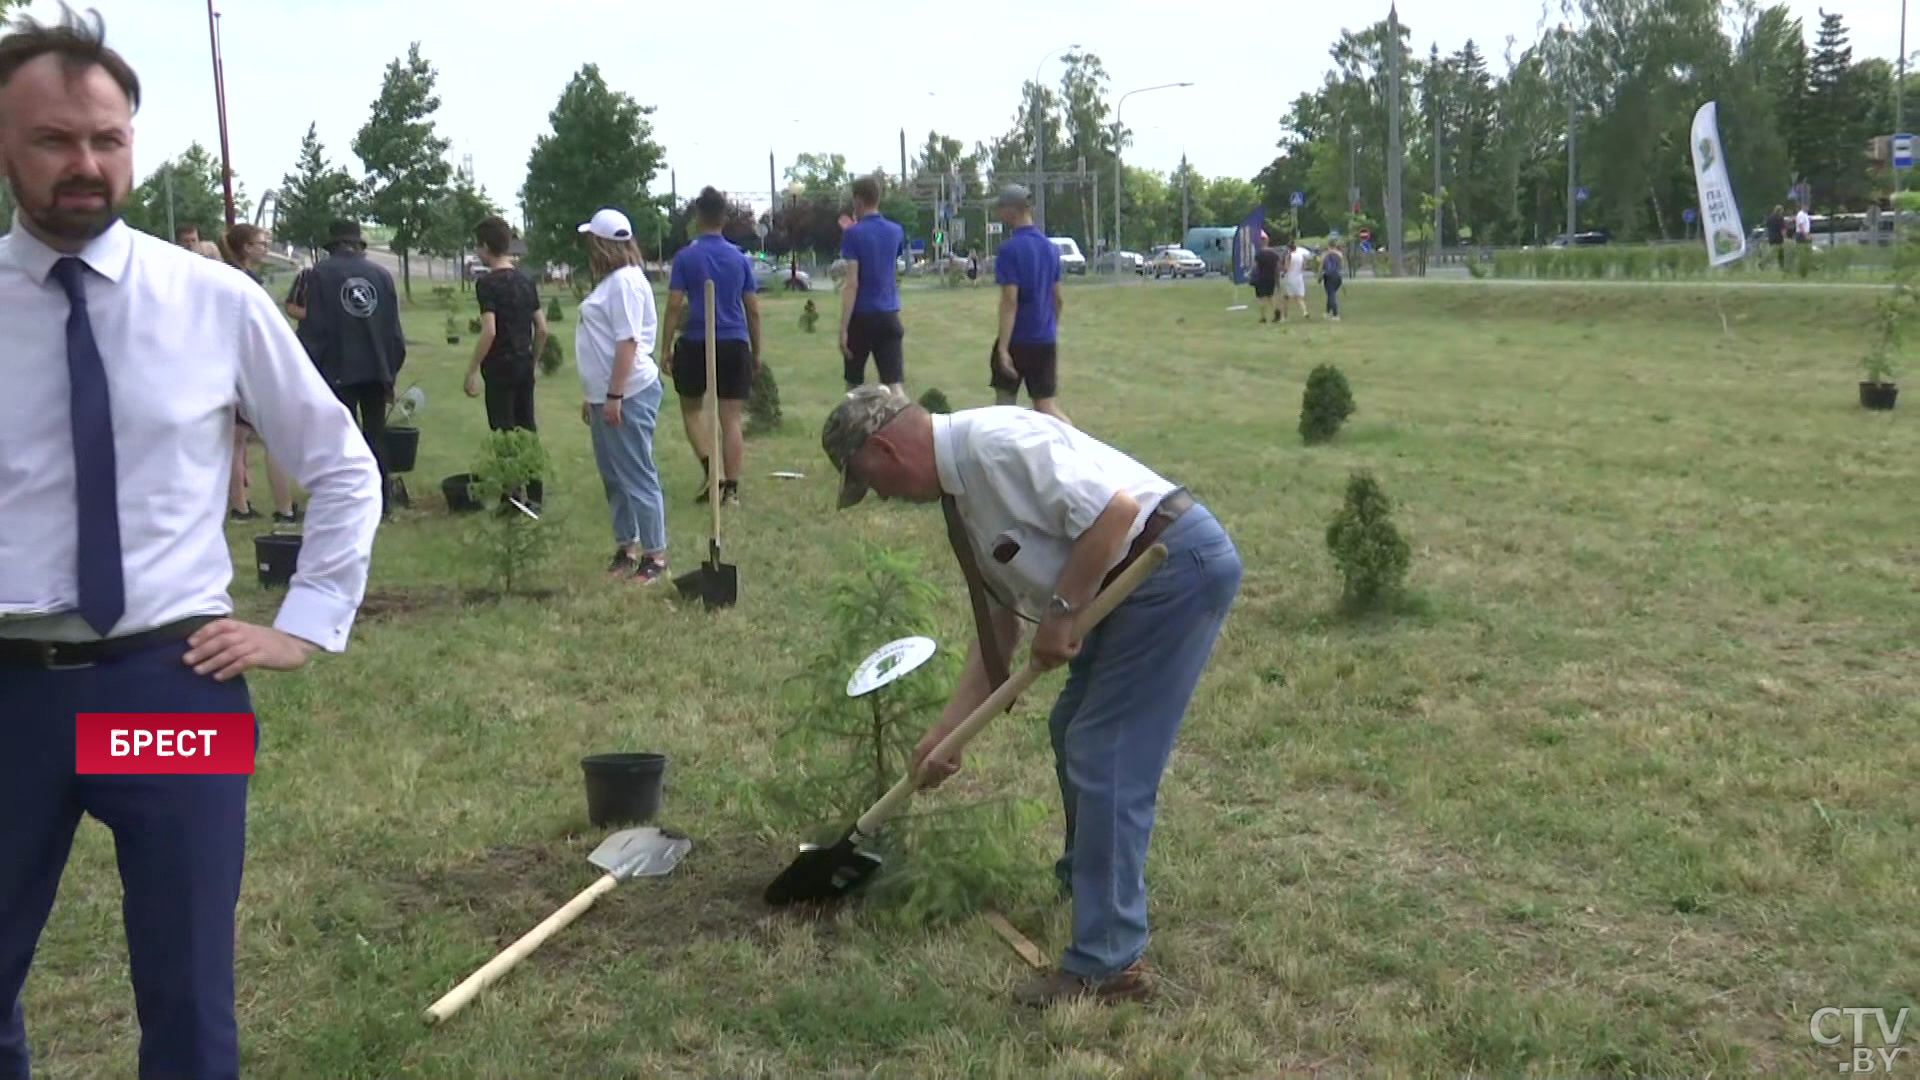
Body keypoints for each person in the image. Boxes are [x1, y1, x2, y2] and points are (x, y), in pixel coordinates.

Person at [0, 9, 383, 1080]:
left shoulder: (214, 300)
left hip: (167, 690)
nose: (84, 163)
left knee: (189, 998)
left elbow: (343, 465)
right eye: (52, 140)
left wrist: (304, 624)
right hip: (9, 697)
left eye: (106, 140)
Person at [819, 387, 1242, 1007]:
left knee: (1106, 753)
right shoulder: (961, 498)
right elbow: (1000, 628)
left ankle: (1109, 963)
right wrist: (948, 732)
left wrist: (1065, 611)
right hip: (1119, 580)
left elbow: (1117, 512)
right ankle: (1091, 881)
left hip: (1167, 567)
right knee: (1071, 725)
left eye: (870, 481)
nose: (881, 496)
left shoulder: (997, 446)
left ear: (884, 448)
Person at [574, 207, 669, 582]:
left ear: (600, 243)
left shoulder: (626, 282)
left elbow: (627, 342)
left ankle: (655, 555)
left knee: (636, 473)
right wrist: (594, 394)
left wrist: (614, 395)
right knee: (614, 475)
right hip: (606, 393)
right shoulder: (613, 282)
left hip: (628, 392)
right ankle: (626, 546)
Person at [292, 218, 406, 518]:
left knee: (340, 439)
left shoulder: (320, 275)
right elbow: (393, 332)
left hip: (336, 368)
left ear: (333, 245)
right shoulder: (381, 275)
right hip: (376, 369)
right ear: (358, 244)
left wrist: (310, 368)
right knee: (376, 436)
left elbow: (314, 327)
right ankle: (381, 502)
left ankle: (347, 503)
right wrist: (390, 371)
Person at [663, 186, 761, 506]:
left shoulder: (686, 257)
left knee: (692, 409)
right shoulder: (739, 258)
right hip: (734, 341)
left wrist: (665, 348)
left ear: (697, 216)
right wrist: (756, 351)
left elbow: (675, 305)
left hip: (695, 342)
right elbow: (753, 309)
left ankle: (712, 469)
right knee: (731, 418)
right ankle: (730, 487)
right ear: (724, 218)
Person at [463, 215, 549, 509]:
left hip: (499, 367)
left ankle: (511, 497)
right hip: (523, 363)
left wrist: (472, 369)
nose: (477, 252)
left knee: (503, 431)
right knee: (527, 428)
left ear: (486, 246)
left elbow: (490, 330)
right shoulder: (526, 280)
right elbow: (543, 328)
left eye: (478, 247)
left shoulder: (487, 284)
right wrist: (534, 360)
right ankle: (536, 493)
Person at [220, 222, 299, 522]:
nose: (266, 249)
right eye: (261, 243)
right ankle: (282, 508)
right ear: (245, 248)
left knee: (237, 438)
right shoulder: (243, 282)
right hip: (245, 367)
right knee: (271, 436)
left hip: (237, 365)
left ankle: (239, 505)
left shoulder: (239, 278)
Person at [988, 185, 1070, 425]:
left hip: (1016, 340)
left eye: (1001, 208)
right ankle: (1078, 446)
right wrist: (1050, 327)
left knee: (1004, 409)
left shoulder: (1008, 250)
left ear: (1012, 211)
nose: (999, 214)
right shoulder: (1050, 249)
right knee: (1046, 407)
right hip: (1044, 340)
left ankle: (1004, 458)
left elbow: (1010, 300)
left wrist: (1003, 348)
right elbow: (1058, 298)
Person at [837, 174, 907, 395]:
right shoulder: (896, 231)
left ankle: (853, 427)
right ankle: (908, 426)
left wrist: (843, 328)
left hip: (861, 316)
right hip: (888, 313)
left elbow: (852, 283)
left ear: (857, 200)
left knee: (854, 384)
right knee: (894, 384)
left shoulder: (853, 235)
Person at [1251, 230, 1282, 323]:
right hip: (1271, 277)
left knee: (1261, 298)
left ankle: (1263, 317)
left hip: (1261, 278)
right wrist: (1277, 280)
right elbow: (1277, 267)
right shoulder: (1274, 254)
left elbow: (1255, 266)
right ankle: (1276, 310)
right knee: (1271, 296)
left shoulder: (1259, 254)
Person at [1281, 238, 1310, 321]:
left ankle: (1285, 316)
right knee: (1299, 297)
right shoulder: (1301, 256)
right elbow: (1304, 266)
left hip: (1290, 277)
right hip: (1299, 277)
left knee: (1286, 297)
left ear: (1289, 248)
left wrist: (1283, 273)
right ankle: (1305, 311)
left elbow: (1286, 268)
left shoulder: (1289, 256)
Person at [1319, 239, 1344, 322]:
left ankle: (1336, 314)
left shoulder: (1325, 254)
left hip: (1328, 276)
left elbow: (1321, 266)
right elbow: (1341, 265)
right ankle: (1327, 312)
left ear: (1328, 246)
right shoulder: (1339, 254)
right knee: (1331, 294)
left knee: (1331, 295)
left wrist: (1319, 276)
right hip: (1337, 276)